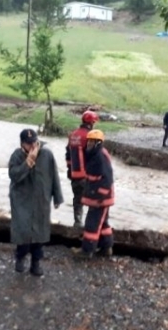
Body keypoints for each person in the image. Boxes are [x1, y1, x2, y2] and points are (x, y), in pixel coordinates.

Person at [8, 129, 64, 277]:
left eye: (34, 142)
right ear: (22, 144)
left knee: (40, 233)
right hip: (21, 201)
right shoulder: (16, 156)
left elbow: (54, 176)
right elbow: (14, 176)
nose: (33, 146)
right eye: (29, 144)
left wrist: (57, 197)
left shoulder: (47, 155)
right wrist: (28, 162)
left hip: (41, 200)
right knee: (23, 231)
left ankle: (36, 262)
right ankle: (20, 257)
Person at [73, 129, 114, 258]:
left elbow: (107, 178)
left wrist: (101, 195)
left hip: (100, 197)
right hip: (97, 195)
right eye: (88, 141)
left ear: (98, 142)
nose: (89, 143)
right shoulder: (96, 153)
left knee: (92, 223)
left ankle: (87, 251)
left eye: (92, 141)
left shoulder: (99, 156)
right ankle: (106, 248)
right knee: (103, 224)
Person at [65, 110, 99, 228]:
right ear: (92, 123)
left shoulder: (73, 135)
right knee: (92, 201)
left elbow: (68, 155)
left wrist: (69, 170)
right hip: (86, 175)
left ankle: (77, 222)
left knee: (77, 200)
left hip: (74, 174)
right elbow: (93, 156)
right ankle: (91, 226)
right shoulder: (90, 136)